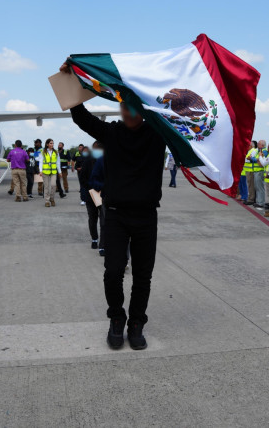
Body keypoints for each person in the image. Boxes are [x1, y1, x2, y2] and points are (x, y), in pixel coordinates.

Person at [63, 57, 166, 351]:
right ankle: (117, 318)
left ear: (143, 110)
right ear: (120, 109)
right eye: (124, 106)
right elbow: (81, 117)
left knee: (143, 277)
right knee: (113, 272)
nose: (129, 112)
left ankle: (136, 323)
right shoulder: (112, 133)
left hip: (146, 216)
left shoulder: (158, 135)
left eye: (134, 107)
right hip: (117, 216)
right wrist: (71, 79)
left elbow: (184, 123)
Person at [89, 144, 107, 256]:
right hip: (103, 196)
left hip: (124, 197)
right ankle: (102, 245)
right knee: (102, 221)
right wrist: (104, 187)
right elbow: (92, 180)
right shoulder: (101, 161)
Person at [40, 138, 60, 207]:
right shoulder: (43, 152)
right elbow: (41, 162)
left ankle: (52, 198)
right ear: (47, 144)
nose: (52, 144)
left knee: (53, 185)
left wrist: (59, 171)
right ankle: (47, 201)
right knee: (46, 187)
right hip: (45, 172)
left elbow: (58, 162)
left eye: (53, 143)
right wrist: (40, 171)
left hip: (53, 172)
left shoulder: (56, 152)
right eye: (51, 143)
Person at [244, 141, 258, 205]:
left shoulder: (253, 150)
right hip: (248, 170)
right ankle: (250, 198)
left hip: (250, 170)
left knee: (251, 185)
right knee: (249, 185)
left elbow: (249, 159)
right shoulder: (250, 151)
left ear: (251, 146)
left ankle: (251, 199)